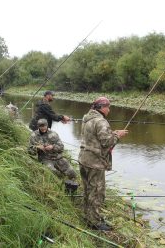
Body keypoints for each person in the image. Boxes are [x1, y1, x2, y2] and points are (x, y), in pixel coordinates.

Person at [78, 96, 128, 231]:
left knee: (88, 190)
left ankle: (88, 215)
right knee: (97, 193)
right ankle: (95, 223)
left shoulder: (87, 118)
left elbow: (95, 137)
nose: (109, 110)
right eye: (108, 107)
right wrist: (118, 135)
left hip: (83, 159)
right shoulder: (101, 121)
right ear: (101, 108)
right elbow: (106, 142)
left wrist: (113, 132)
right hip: (94, 163)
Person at [28, 119, 77, 183]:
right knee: (53, 172)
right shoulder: (34, 136)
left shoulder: (53, 134)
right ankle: (60, 182)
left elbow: (61, 147)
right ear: (38, 126)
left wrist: (53, 147)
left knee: (72, 173)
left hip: (58, 157)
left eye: (44, 126)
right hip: (45, 159)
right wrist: (37, 148)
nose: (43, 128)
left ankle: (70, 185)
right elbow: (30, 151)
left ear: (47, 125)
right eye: (41, 126)